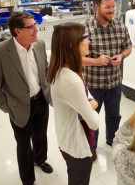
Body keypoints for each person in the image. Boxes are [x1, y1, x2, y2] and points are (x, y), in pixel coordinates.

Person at [0, 12, 53, 185]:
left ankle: (40, 160)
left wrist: (47, 92)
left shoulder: (39, 44)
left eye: (35, 25)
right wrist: (9, 107)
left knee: (41, 136)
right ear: (17, 31)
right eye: (30, 26)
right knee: (23, 144)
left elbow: (44, 71)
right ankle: (28, 179)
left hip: (40, 100)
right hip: (18, 106)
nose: (35, 29)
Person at [82, 0, 132, 159]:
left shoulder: (120, 27)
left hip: (114, 83)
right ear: (96, 6)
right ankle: (92, 146)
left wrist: (122, 56)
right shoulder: (84, 28)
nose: (111, 10)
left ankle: (112, 139)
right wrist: (96, 61)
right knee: (91, 117)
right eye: (107, 7)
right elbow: (75, 58)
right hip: (93, 84)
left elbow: (128, 47)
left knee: (114, 115)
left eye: (113, 7)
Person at [48, 22, 100, 185]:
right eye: (84, 37)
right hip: (77, 147)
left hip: (67, 139)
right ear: (72, 45)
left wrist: (89, 102)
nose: (89, 41)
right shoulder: (70, 79)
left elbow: (85, 94)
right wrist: (92, 105)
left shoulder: (64, 70)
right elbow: (94, 123)